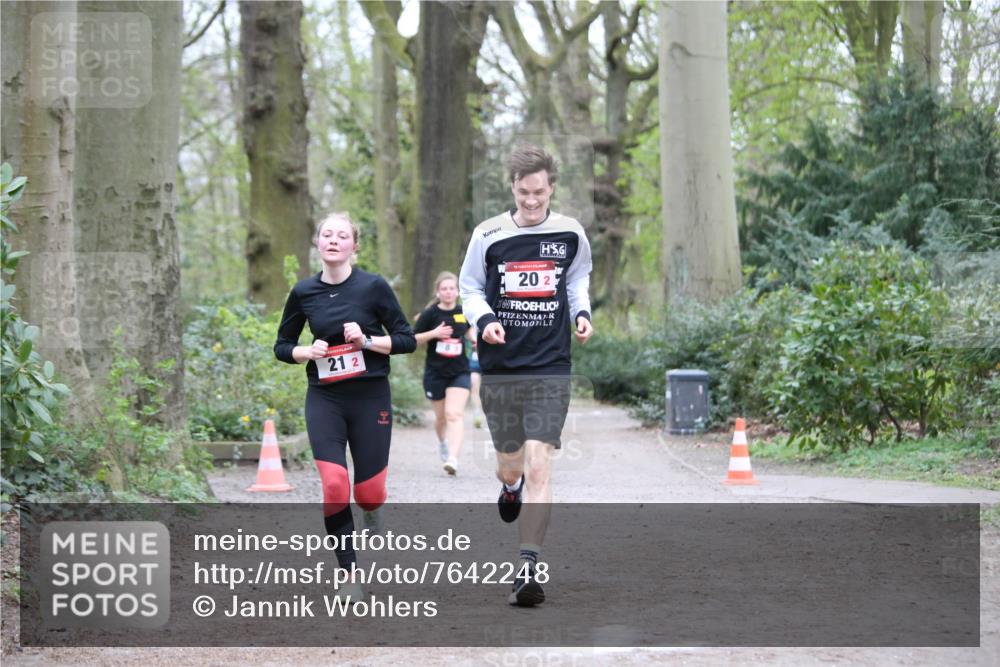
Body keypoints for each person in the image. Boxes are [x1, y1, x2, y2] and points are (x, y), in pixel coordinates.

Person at [459, 145, 594, 607]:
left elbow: (577, 279)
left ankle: (528, 567)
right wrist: (483, 319)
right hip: (501, 366)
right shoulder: (489, 234)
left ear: (552, 186)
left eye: (539, 191)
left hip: (550, 364)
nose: (532, 201)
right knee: (511, 462)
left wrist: (582, 313)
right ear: (512, 188)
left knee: (541, 463)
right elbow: (470, 288)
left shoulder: (571, 233)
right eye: (523, 192)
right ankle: (508, 485)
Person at [274, 211, 416, 599]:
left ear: (354, 246)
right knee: (335, 485)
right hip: (326, 397)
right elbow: (282, 346)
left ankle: (372, 509)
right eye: (326, 235)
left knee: (369, 493)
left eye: (341, 236)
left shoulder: (373, 287)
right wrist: (307, 350)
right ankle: (349, 573)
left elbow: (406, 339)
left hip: (370, 396)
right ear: (317, 243)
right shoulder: (304, 293)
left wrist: (367, 341)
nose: (333, 240)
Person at [413, 271, 474, 475]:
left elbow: (469, 330)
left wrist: (476, 339)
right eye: (444, 289)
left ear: (457, 291)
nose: (448, 292)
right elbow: (413, 340)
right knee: (441, 419)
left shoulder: (463, 312)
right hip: (435, 373)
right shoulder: (430, 314)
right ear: (438, 292)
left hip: (460, 371)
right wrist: (435, 333)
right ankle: (443, 442)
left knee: (454, 414)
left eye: (452, 288)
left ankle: (453, 459)